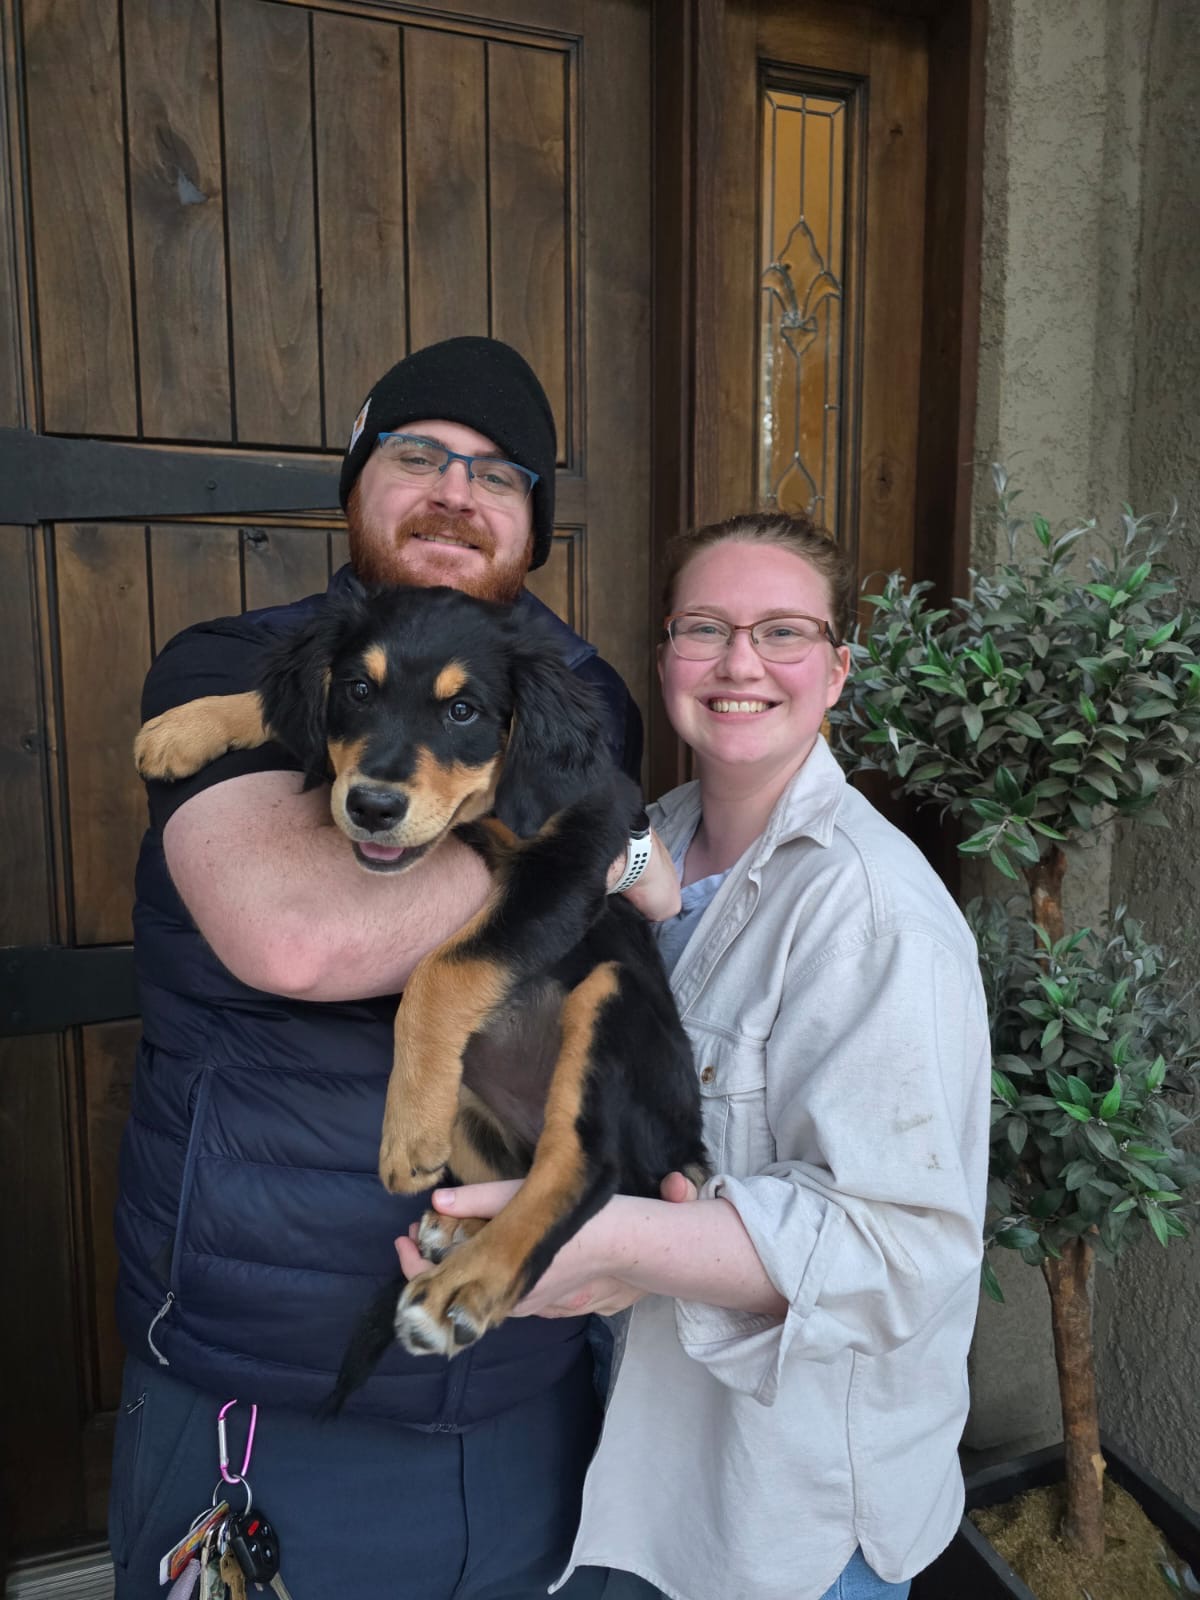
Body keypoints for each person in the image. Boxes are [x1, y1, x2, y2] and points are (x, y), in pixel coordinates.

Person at [110, 336, 661, 1599]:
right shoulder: (233, 663)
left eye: (499, 474)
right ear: (354, 484)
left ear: (535, 523)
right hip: (260, 1388)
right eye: (417, 456)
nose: (456, 491)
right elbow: (299, 937)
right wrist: (580, 846)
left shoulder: (576, 693)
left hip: (522, 1367)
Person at [405, 512, 991, 1600]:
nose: (739, 663)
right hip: (637, 1473)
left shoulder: (873, 912)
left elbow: (905, 1253)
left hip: (791, 1522)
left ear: (838, 669)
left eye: (784, 632)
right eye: (705, 628)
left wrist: (597, 1229)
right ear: (664, 656)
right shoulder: (650, 839)